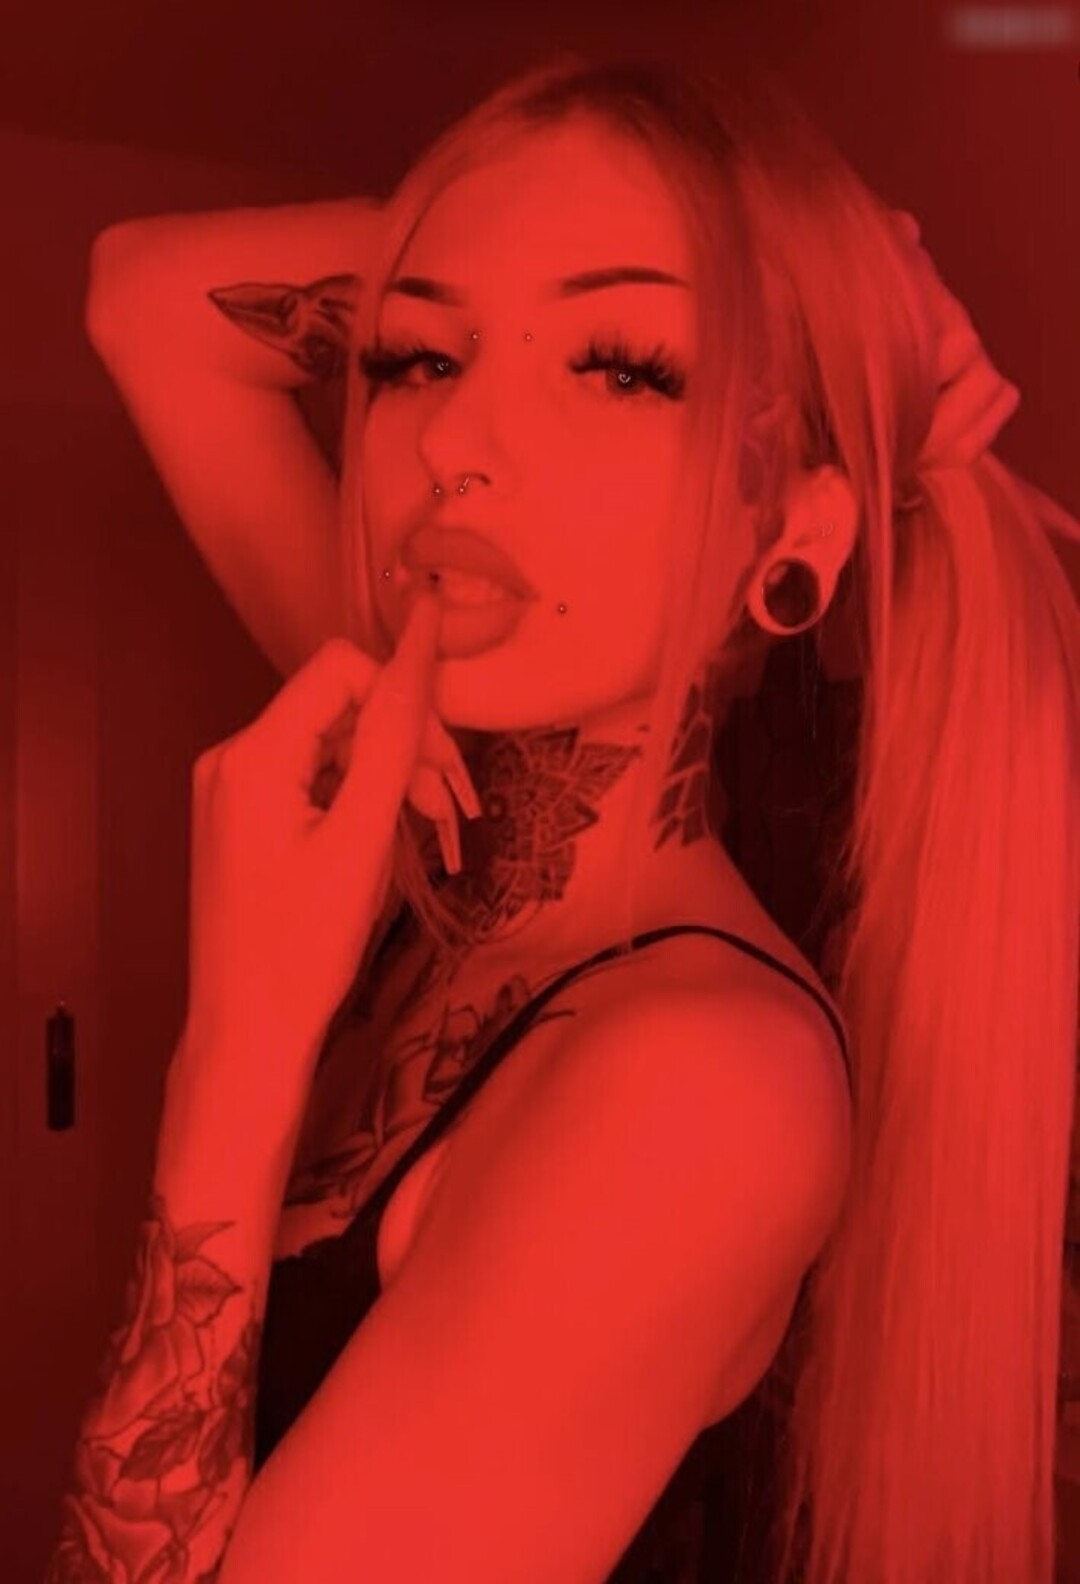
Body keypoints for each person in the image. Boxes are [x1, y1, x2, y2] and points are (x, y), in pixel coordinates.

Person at [52, 49, 1078, 1584]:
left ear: (790, 540)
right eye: (418, 357)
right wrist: (684, 243)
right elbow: (141, 300)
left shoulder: (699, 1087)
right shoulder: (435, 817)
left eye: (622, 366)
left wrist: (238, 1059)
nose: (452, 444)